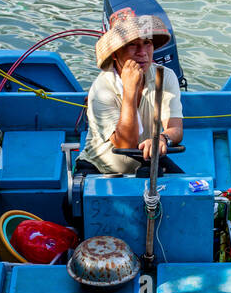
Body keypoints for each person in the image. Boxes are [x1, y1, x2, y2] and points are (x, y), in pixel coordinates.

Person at [78, 9, 184, 177]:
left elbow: (175, 128)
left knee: (194, 194)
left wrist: (162, 139)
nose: (142, 53)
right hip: (102, 169)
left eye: (147, 43)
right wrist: (130, 90)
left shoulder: (165, 76)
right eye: (132, 44)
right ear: (114, 53)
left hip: (147, 161)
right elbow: (125, 144)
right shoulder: (101, 89)